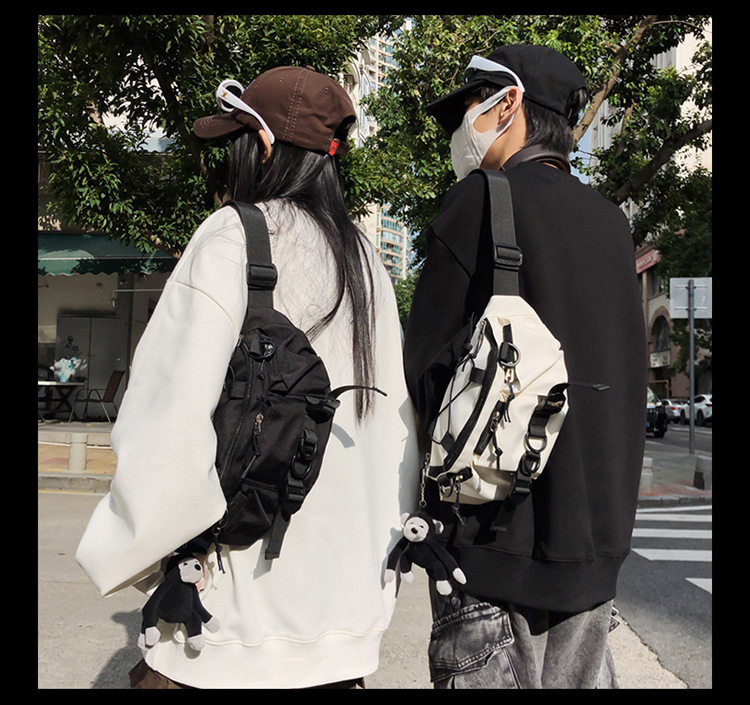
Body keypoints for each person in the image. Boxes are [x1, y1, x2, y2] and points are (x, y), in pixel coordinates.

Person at [76, 65, 420, 689]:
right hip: (342, 616)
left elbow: (166, 420)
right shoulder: (365, 259)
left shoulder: (234, 235)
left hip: (231, 614)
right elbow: (390, 432)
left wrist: (136, 554)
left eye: (233, 142)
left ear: (262, 143)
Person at [403, 45, 647, 689]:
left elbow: (423, 377)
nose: (463, 127)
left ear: (509, 102)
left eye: (470, 106)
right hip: (592, 558)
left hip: (490, 551)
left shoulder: (479, 202)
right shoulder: (611, 223)